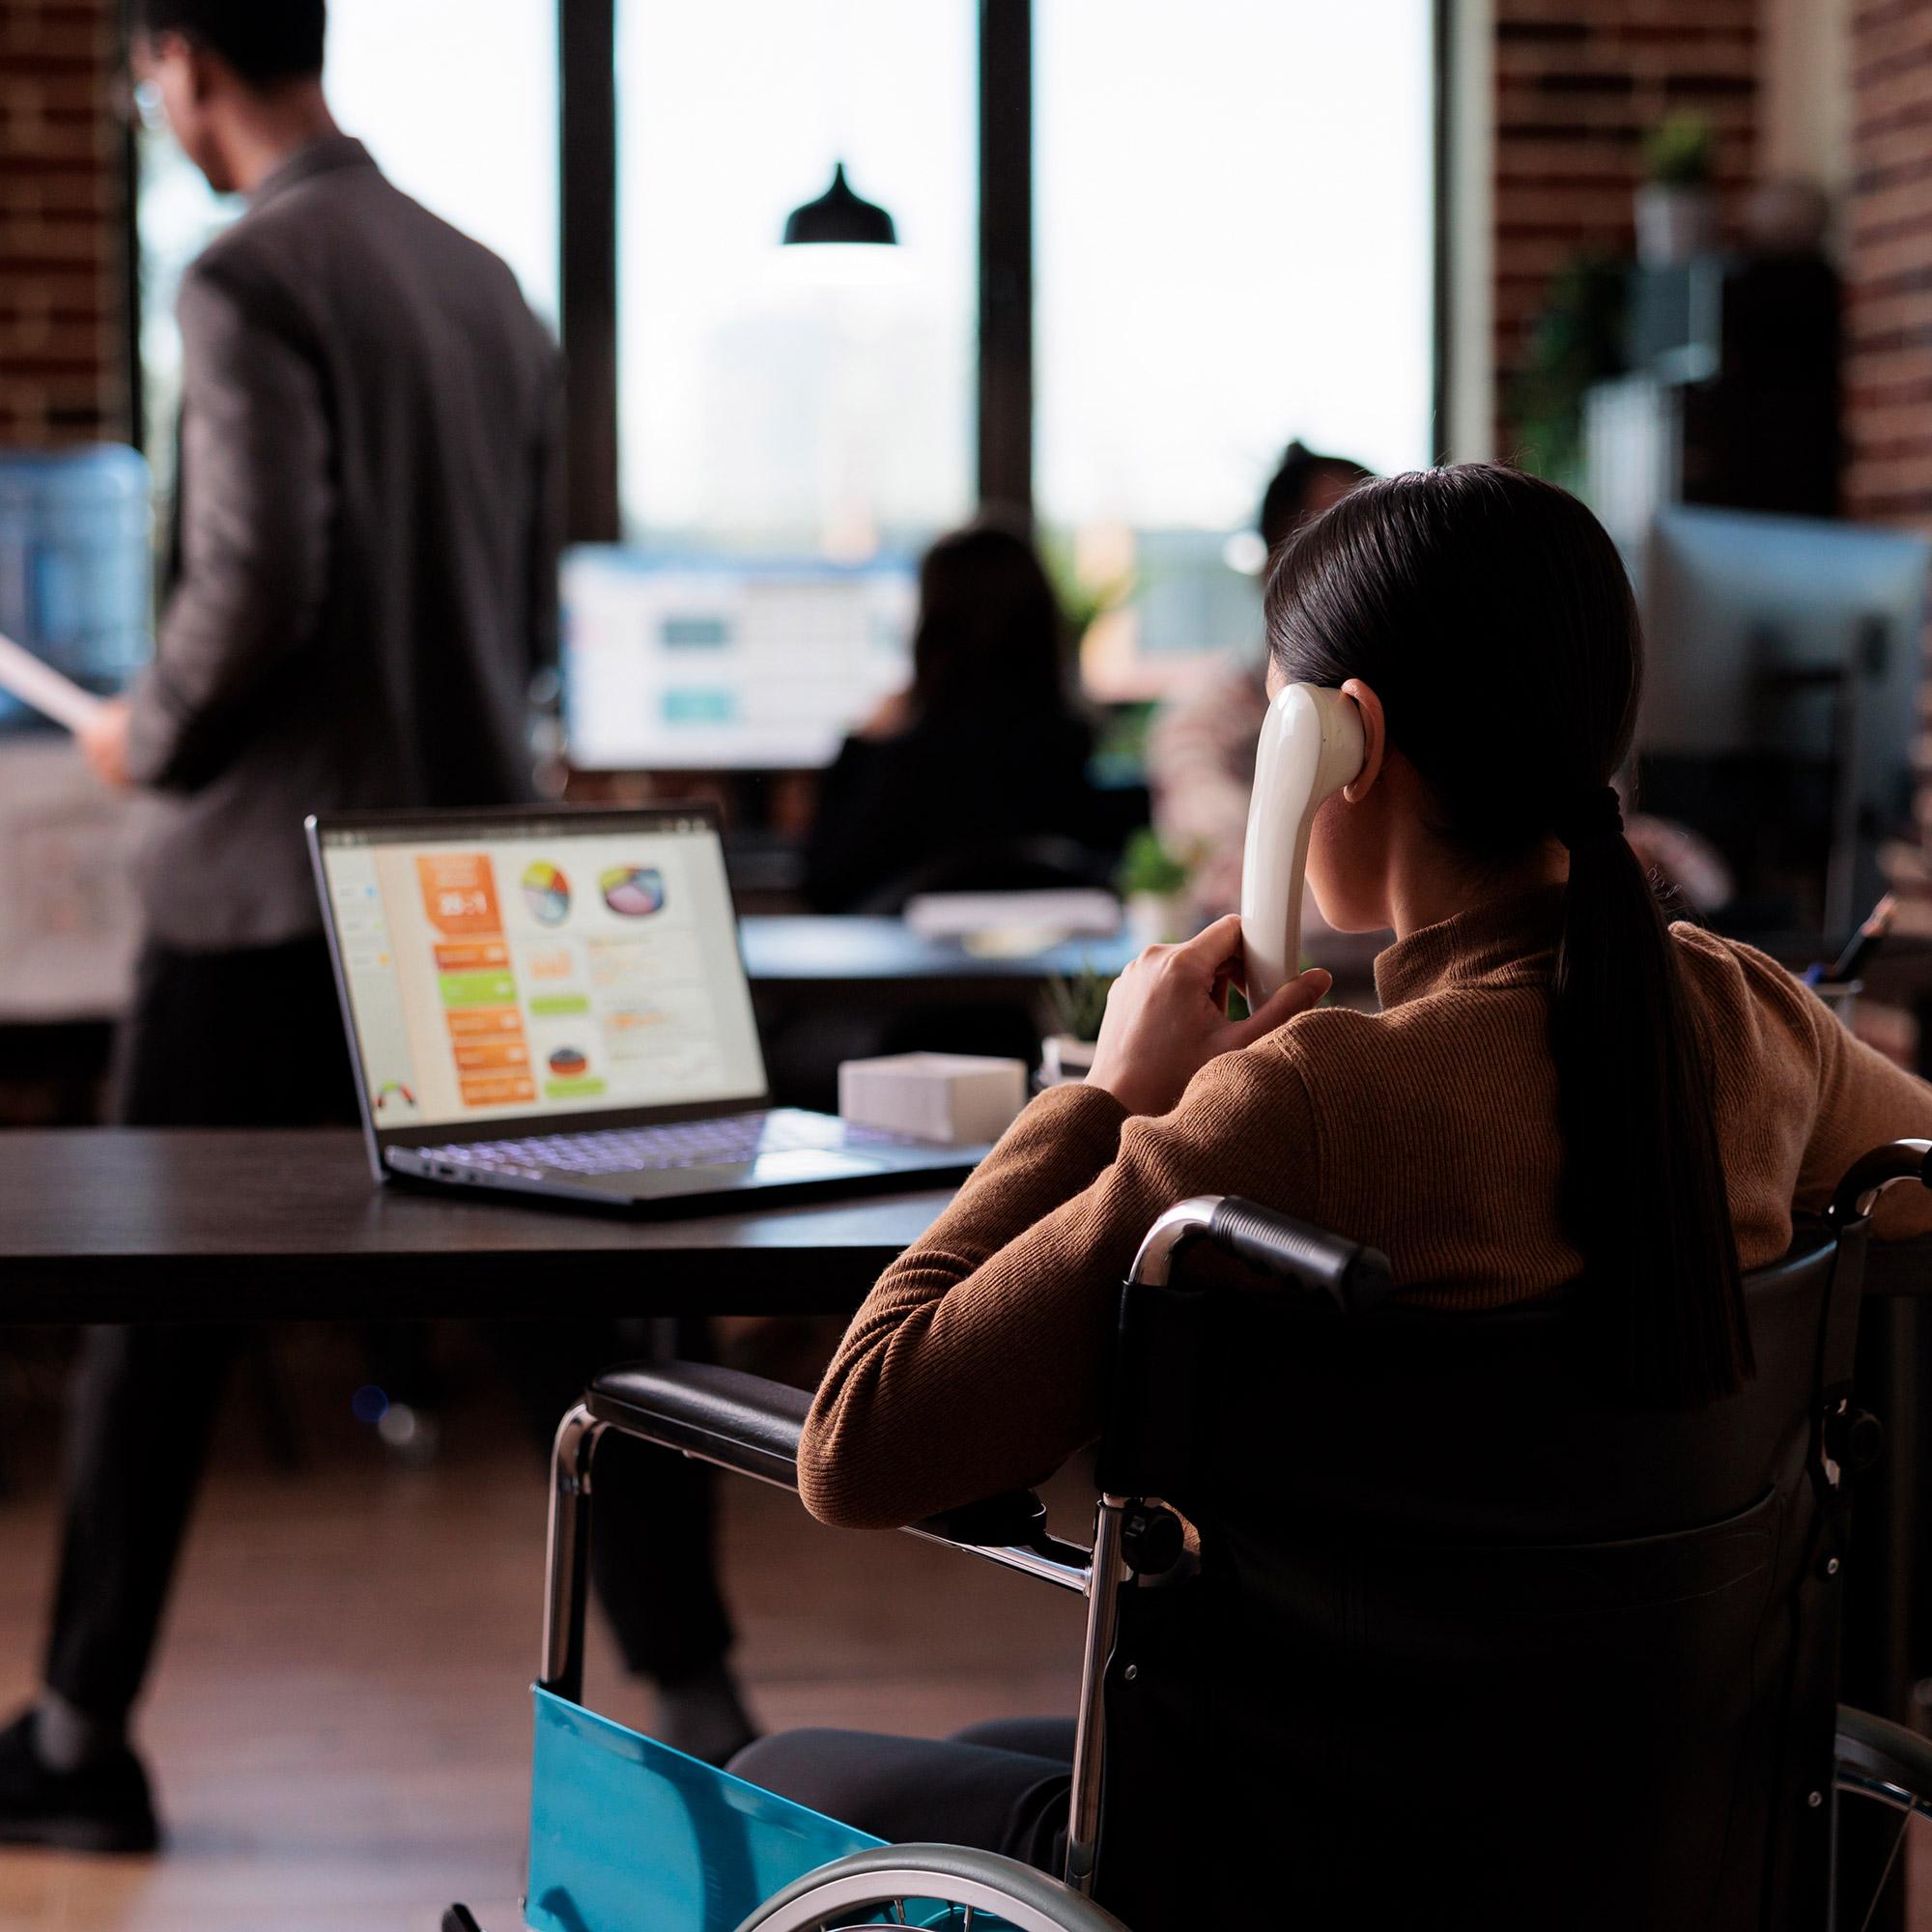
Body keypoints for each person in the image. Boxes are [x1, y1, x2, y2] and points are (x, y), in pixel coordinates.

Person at [730, 463, 1932, 1856]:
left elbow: (863, 1441)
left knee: (788, 1768)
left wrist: (1109, 1096)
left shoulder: (1294, 1108)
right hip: (1646, 1833)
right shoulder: (1751, 1019)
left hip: (1296, 1851)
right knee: (999, 1754)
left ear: (1339, 741)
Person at [0, 0, 744, 1856]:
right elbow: (509, 606)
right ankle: (713, 1708)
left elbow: (255, 577)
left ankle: (80, 1741)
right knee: (576, 1306)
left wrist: (135, 730)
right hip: (469, 882)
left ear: (176, 63)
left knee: (149, 1319)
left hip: (263, 887)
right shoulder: (486, 283)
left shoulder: (246, 279)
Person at [801, 519, 1101, 911]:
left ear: (930, 630)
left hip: (909, 973)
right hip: (1064, 973)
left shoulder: (901, 764)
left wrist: (860, 745)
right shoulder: (1077, 754)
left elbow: (823, 887)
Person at [1146, 440, 1370, 920]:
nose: (1367, 575)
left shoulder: (1418, 708)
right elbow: (1232, 884)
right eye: (1339, 553)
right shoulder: (1203, 720)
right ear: (1278, 568)